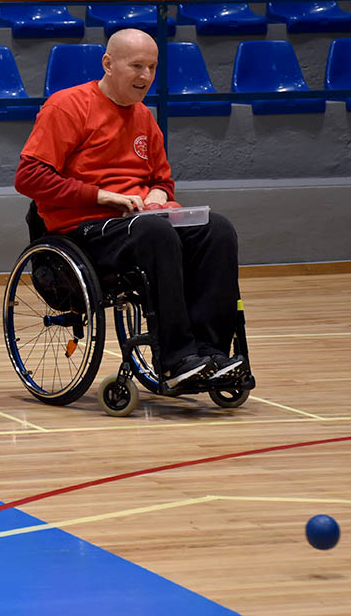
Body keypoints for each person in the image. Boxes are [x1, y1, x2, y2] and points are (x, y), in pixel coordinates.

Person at [14, 28, 245, 389]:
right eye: (136, 66)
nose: (145, 76)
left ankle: (211, 353)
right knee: (154, 232)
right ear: (108, 64)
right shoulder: (68, 106)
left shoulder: (144, 118)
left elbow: (162, 181)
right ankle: (176, 358)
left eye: (152, 67)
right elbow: (29, 177)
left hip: (140, 221)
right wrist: (101, 196)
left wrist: (156, 194)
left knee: (216, 229)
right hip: (85, 229)